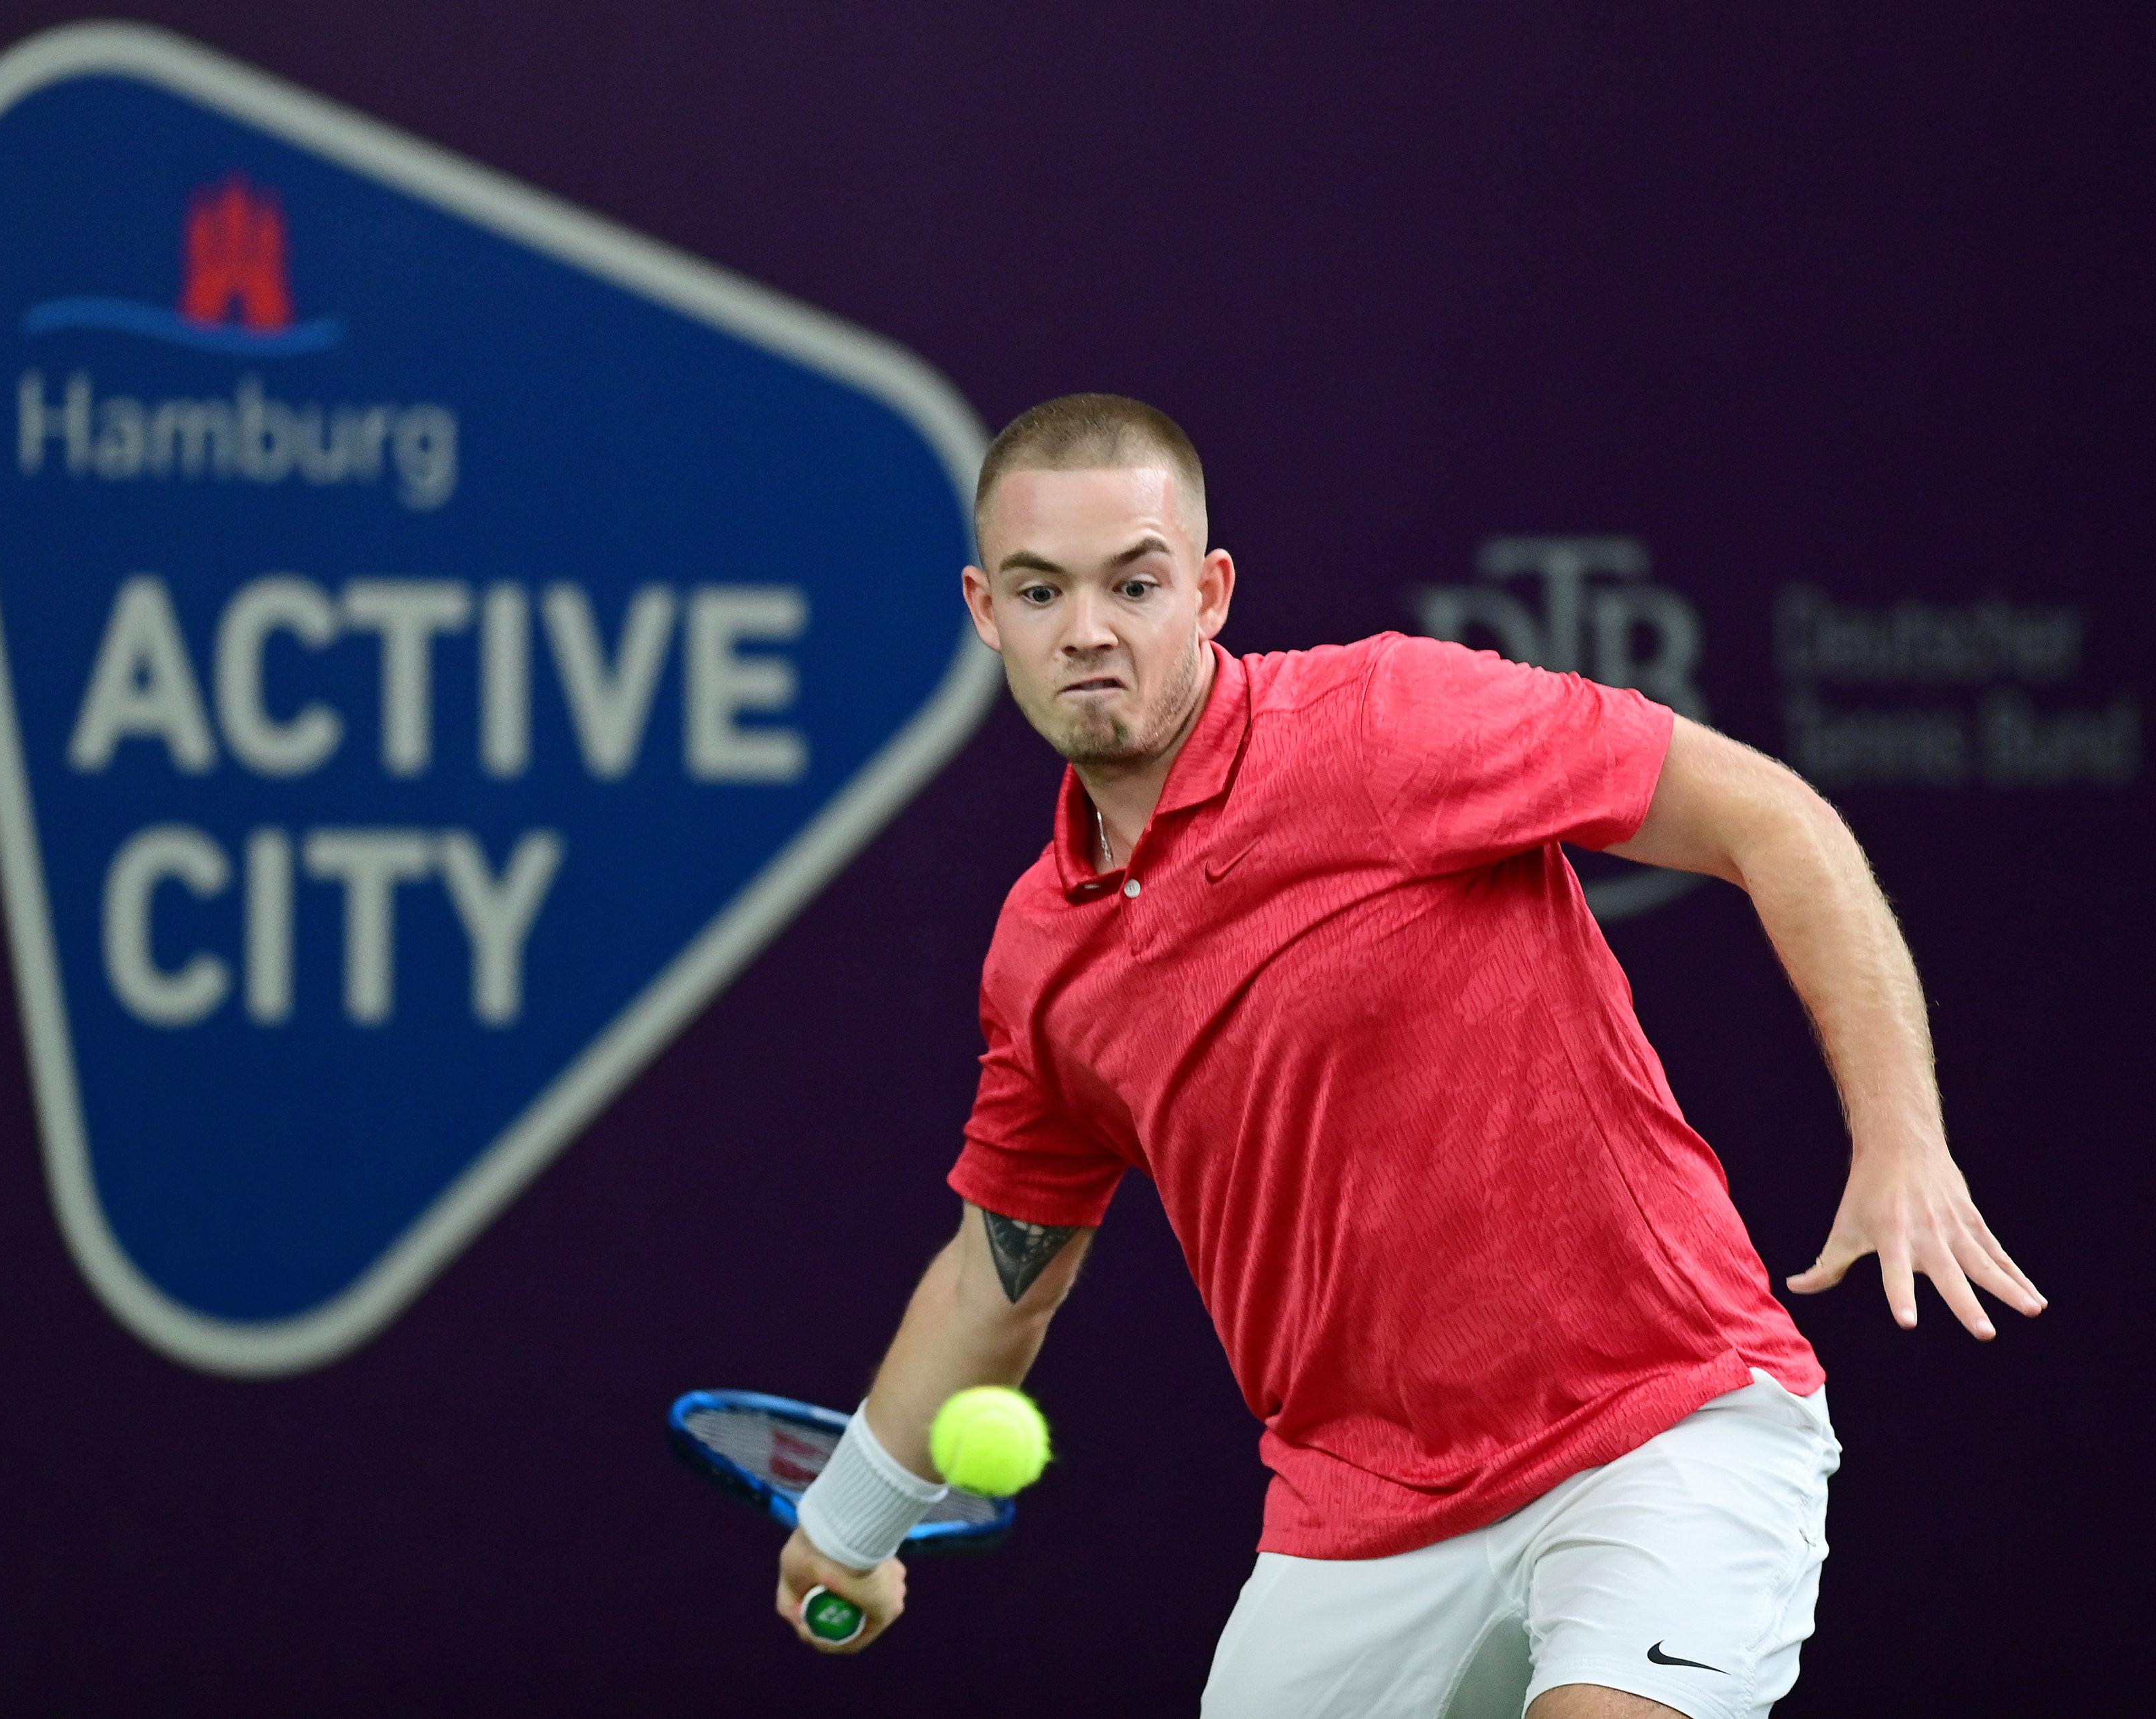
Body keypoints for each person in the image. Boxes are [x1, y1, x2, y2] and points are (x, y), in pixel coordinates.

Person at [775, 394, 2043, 1718]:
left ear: (1208, 592)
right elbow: (1000, 1280)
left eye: (1133, 583)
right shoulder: (1043, 960)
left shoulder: (1389, 721)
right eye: (1042, 592)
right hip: (1356, 1514)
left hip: (1660, 1430)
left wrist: (1903, 1140)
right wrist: (855, 1524)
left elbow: (1771, 819)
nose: (1088, 630)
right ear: (987, 611)